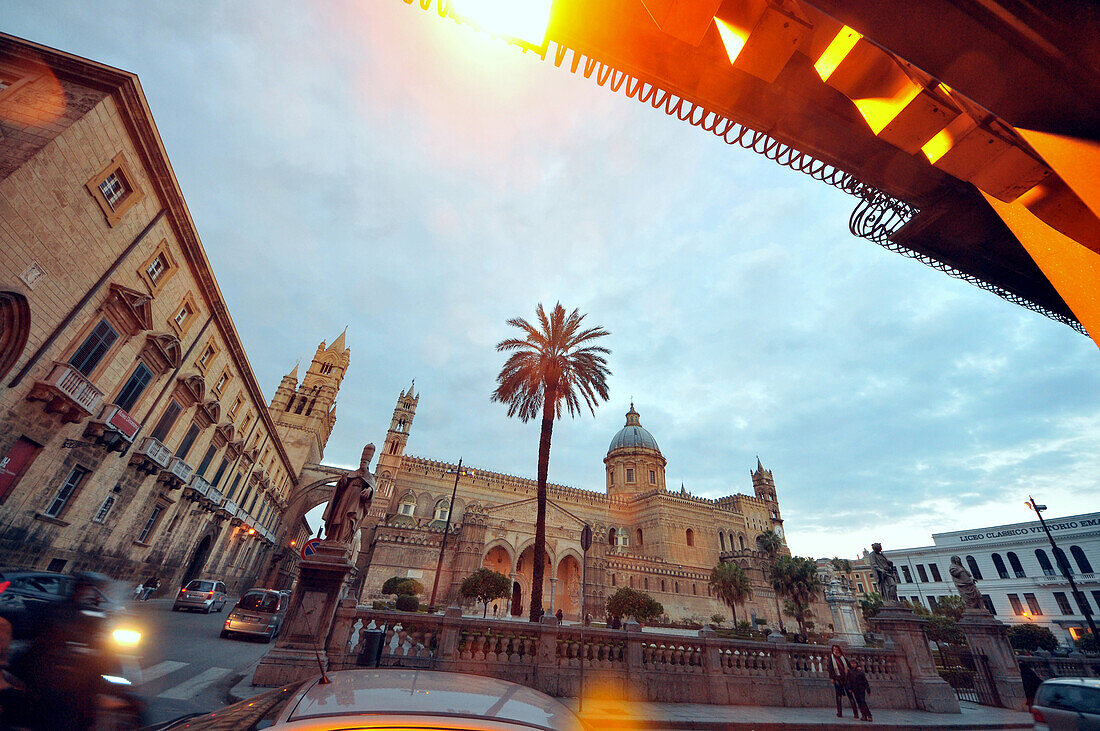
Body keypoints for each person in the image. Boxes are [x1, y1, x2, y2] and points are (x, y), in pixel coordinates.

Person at [826, 644, 858, 718]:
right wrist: (832, 678)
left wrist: (857, 667)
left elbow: (849, 665)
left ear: (839, 649)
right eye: (834, 649)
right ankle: (839, 712)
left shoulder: (843, 657)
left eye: (836, 649)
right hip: (837, 678)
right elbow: (830, 668)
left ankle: (855, 713)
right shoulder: (831, 657)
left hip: (845, 678)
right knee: (839, 696)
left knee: (850, 695)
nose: (835, 650)